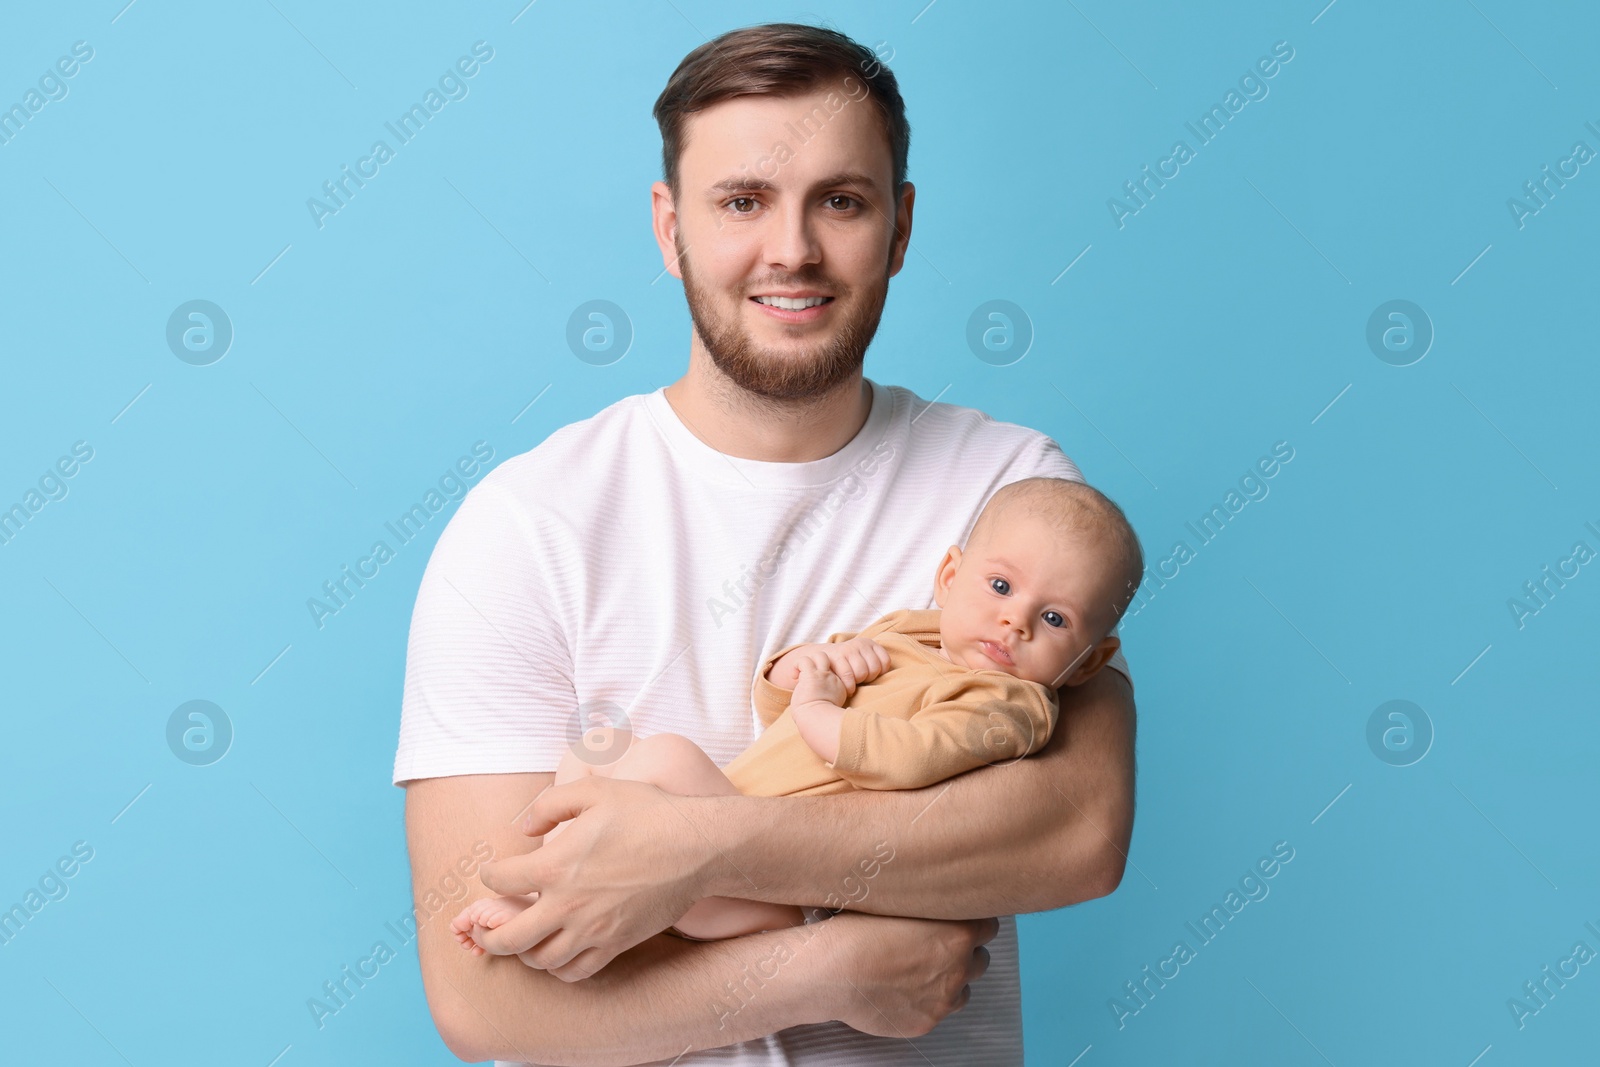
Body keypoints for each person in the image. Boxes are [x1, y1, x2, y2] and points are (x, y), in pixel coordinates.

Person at [396, 21, 1138, 1066]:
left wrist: (691, 849)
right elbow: (488, 1002)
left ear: (901, 226)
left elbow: (1074, 833)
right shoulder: (526, 526)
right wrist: (827, 969)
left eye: (840, 200)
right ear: (669, 229)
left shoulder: (1009, 500)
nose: (791, 248)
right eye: (742, 201)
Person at [447, 477, 1142, 951]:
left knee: (664, 760)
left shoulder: (1009, 704)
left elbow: (902, 755)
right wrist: (804, 666)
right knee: (593, 755)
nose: (1012, 620)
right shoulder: (916, 632)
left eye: (1053, 618)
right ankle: (549, 897)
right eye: (999, 585)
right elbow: (782, 702)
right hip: (727, 810)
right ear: (950, 576)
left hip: (777, 886)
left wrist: (818, 702)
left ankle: (546, 905)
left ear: (1086, 660)